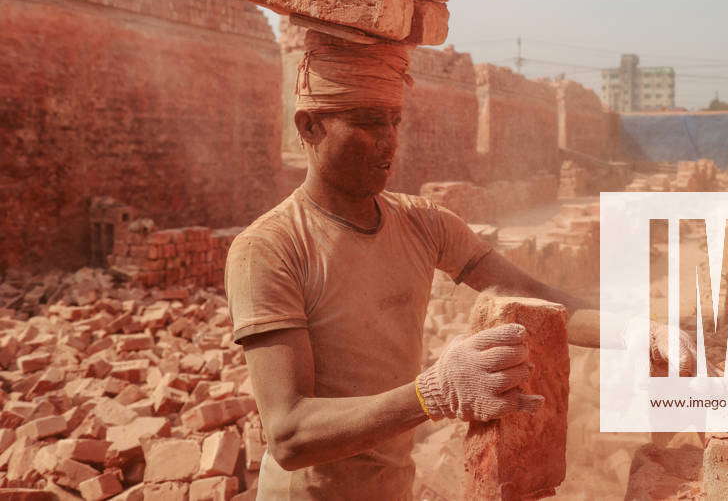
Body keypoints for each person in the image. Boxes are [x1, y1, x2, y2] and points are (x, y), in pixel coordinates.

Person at [224, 31, 681, 500]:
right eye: (367, 123)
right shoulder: (270, 248)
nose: (389, 142)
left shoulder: (422, 223)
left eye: (395, 121)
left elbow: (532, 294)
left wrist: (633, 333)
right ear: (309, 127)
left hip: (393, 489)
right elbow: (290, 434)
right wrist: (432, 394)